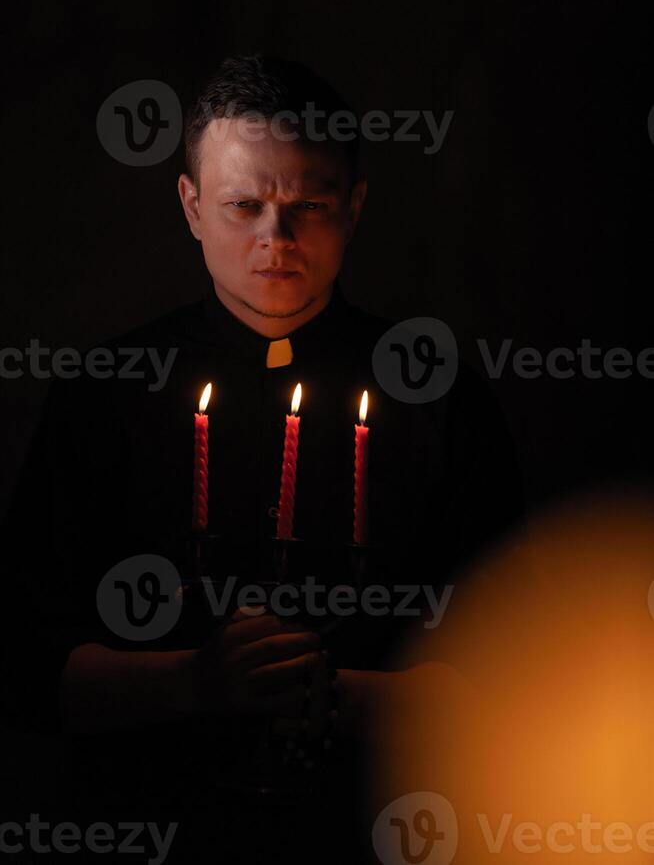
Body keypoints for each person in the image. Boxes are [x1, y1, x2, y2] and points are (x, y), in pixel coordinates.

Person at [1, 55, 523, 864]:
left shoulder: (437, 393)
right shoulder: (106, 389)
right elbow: (25, 668)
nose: (274, 240)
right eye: (244, 205)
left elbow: (515, 671)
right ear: (191, 206)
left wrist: (324, 694)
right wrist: (198, 684)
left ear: (353, 208)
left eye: (307, 205)